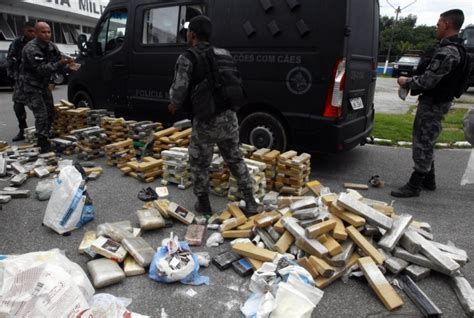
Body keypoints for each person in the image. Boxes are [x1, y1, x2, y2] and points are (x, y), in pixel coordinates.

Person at [168, 15, 261, 215]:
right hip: (230, 118)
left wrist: (174, 104)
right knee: (235, 159)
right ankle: (251, 201)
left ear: (191, 34)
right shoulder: (224, 53)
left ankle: (204, 204)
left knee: (199, 162)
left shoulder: (188, 57)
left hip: (206, 121)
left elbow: (178, 91)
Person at [392, 9, 468, 198]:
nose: (436, 28)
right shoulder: (455, 49)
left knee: (423, 141)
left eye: (438, 24)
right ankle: (429, 179)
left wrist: (405, 82)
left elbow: (427, 81)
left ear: (447, 24)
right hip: (438, 102)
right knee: (428, 139)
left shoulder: (448, 51)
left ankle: (415, 184)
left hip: (434, 103)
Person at [18, 22, 74, 153]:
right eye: (43, 32)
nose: (47, 34)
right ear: (36, 33)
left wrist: (68, 65)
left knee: (50, 111)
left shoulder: (51, 46)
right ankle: (43, 143)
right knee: (41, 114)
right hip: (31, 86)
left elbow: (59, 58)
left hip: (43, 85)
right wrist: (61, 63)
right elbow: (42, 69)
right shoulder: (31, 48)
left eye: (49, 32)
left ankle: (46, 134)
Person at [6, 21, 36, 142]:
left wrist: (51, 81)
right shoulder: (17, 43)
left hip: (36, 83)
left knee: (41, 109)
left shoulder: (40, 43)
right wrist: (13, 76)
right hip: (21, 81)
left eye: (34, 31)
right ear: (24, 30)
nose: (32, 33)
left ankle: (43, 132)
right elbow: (10, 59)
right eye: (29, 31)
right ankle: (22, 130)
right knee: (18, 107)